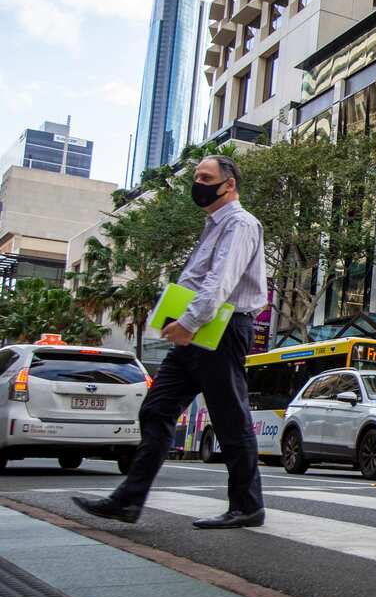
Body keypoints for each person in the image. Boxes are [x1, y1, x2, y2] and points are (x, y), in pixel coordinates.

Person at [73, 157, 267, 529]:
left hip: (219, 329)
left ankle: (247, 506)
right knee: (156, 410)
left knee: (230, 419)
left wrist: (190, 322)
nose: (198, 183)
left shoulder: (240, 223)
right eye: (196, 177)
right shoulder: (213, 225)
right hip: (194, 331)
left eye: (205, 178)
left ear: (229, 185)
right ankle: (127, 501)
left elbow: (221, 280)